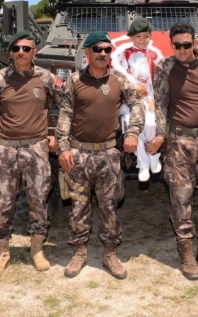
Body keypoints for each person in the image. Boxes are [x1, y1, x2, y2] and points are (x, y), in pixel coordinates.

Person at [56, 30, 143, 279]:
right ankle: (80, 252)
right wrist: (63, 148)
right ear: (87, 52)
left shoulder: (119, 79)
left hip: (108, 153)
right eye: (98, 49)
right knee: (78, 205)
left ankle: (109, 252)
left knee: (109, 206)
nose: (103, 54)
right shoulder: (74, 81)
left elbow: (136, 104)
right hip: (79, 153)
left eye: (107, 50)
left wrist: (133, 133)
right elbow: (64, 116)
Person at [148, 21, 198, 280]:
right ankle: (186, 252)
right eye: (177, 45)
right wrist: (161, 134)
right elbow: (159, 103)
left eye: (186, 44)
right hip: (179, 142)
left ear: (196, 43)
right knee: (180, 200)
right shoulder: (165, 67)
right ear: (172, 45)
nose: (181, 50)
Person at [0, 30, 63, 277]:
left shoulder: (46, 77)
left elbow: (66, 105)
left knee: (38, 200)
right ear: (10, 53)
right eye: (16, 49)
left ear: (34, 52)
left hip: (37, 148)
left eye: (26, 49)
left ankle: (37, 250)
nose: (21, 53)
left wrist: (56, 134)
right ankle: (2, 252)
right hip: (5, 149)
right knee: (3, 202)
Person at [110, 17, 164, 182]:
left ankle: (153, 155)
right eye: (138, 37)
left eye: (145, 37)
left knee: (150, 125)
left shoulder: (156, 54)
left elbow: (160, 78)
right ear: (132, 37)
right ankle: (143, 163)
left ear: (150, 36)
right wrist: (132, 85)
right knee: (133, 127)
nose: (142, 40)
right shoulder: (123, 53)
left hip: (149, 97)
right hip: (129, 98)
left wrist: (153, 97)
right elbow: (116, 71)